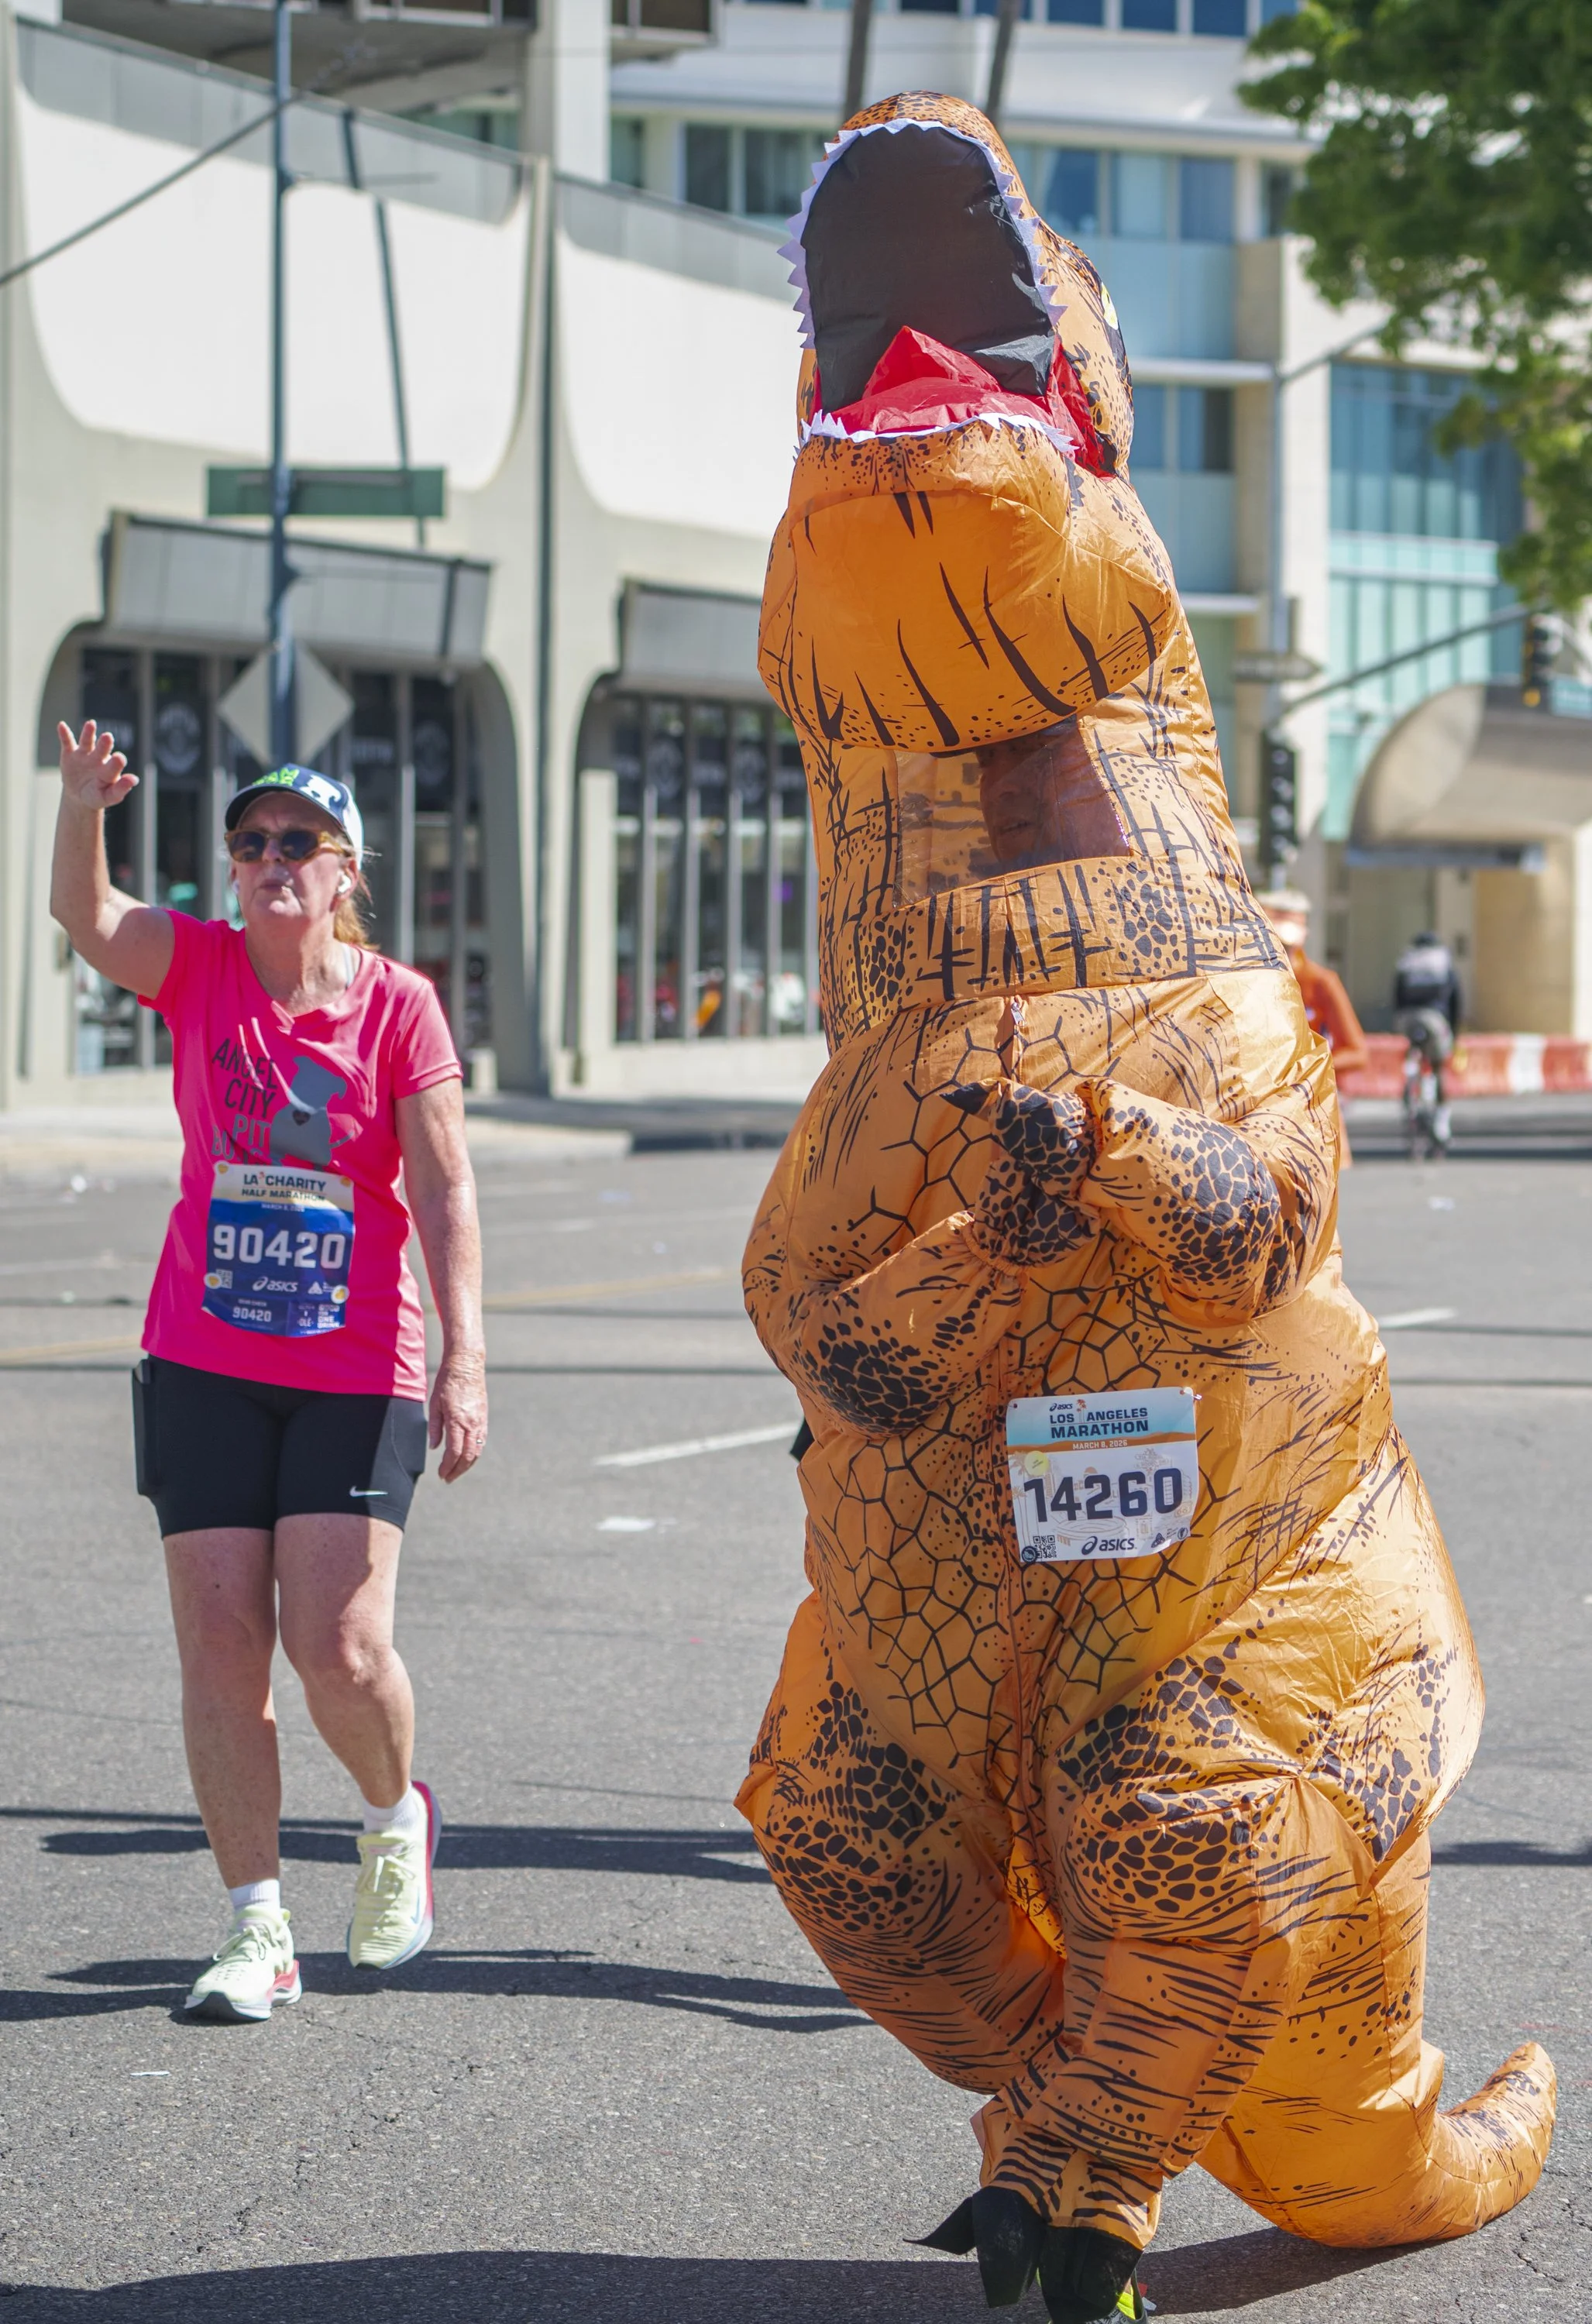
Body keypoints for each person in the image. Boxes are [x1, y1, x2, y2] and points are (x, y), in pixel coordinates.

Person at [51, 725, 487, 2023]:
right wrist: (82, 807)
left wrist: (466, 1362)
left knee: (338, 1646)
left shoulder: (398, 1004)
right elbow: (87, 913)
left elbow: (445, 1187)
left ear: (345, 871)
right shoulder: (198, 968)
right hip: (203, 1357)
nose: (270, 861)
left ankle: (393, 1815)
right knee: (221, 1652)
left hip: (356, 1366)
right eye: (251, 844)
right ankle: (258, 1929)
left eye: (298, 844)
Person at [1258, 889, 1369, 1162]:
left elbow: (1357, 1053)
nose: (1285, 953)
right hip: (1260, 1113)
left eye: (1289, 945)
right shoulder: (1248, 981)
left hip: (1313, 1109)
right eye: (1278, 944)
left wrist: (1302, 1068)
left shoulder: (1321, 983)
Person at [1393, 930, 1463, 1150]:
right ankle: (1442, 1123)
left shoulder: (1406, 962)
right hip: (1434, 1019)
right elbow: (1455, 1000)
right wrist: (1454, 1032)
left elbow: (1396, 997)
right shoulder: (1443, 962)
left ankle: (1410, 1076)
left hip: (1407, 1019)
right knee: (1439, 1065)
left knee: (1413, 1047)